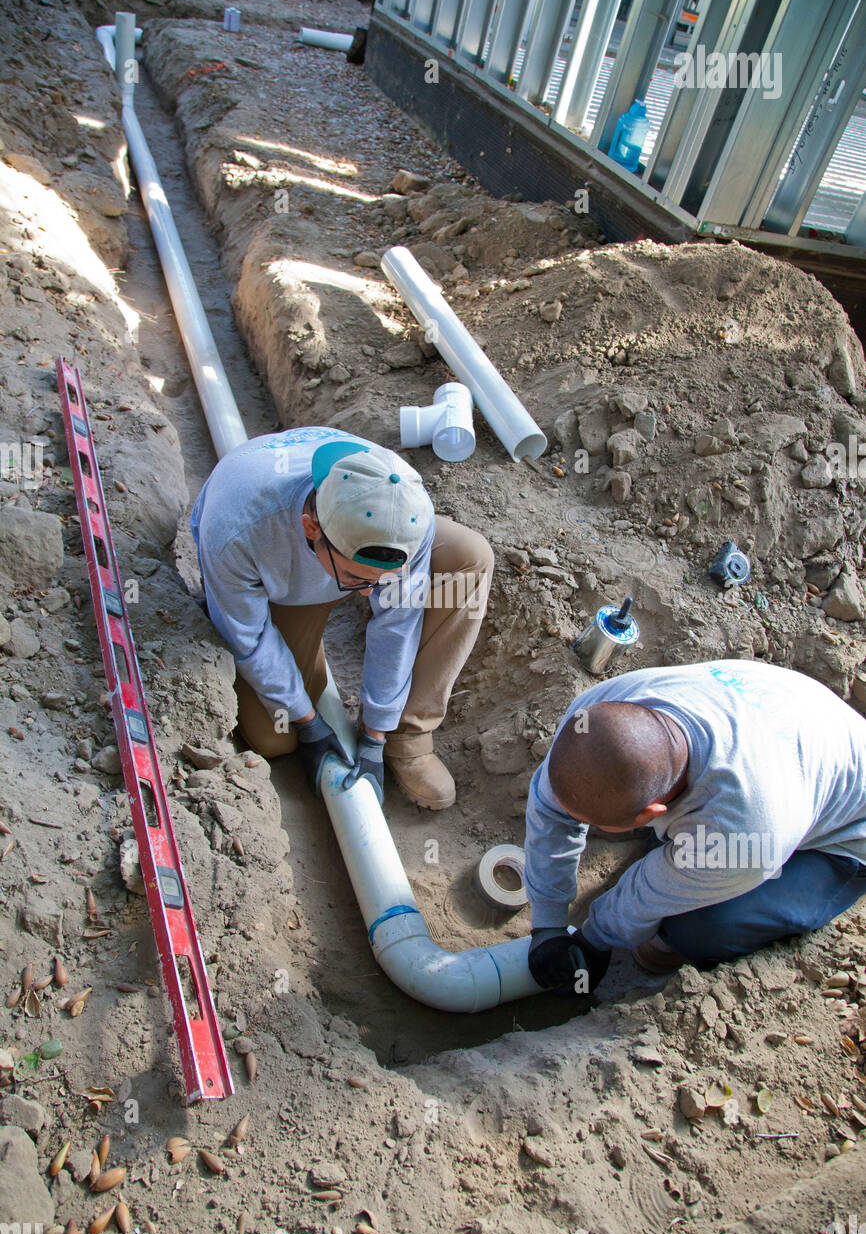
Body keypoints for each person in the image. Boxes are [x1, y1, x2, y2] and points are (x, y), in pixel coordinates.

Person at [189, 426, 493, 810]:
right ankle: (306, 666)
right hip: (282, 574)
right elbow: (248, 639)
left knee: (468, 557)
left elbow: (397, 623)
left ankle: (407, 736)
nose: (369, 594)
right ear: (311, 528)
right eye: (357, 579)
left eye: (380, 581)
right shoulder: (239, 534)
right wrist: (307, 721)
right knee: (274, 736)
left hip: (328, 559)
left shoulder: (408, 508)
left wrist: (376, 734)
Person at [523, 659, 866, 996]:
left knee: (697, 929)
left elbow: (646, 894)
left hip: (847, 833)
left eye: (590, 824)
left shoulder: (740, 834)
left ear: (651, 812)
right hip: (795, 726)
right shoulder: (591, 718)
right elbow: (552, 809)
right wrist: (548, 925)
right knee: (688, 852)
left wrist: (595, 939)